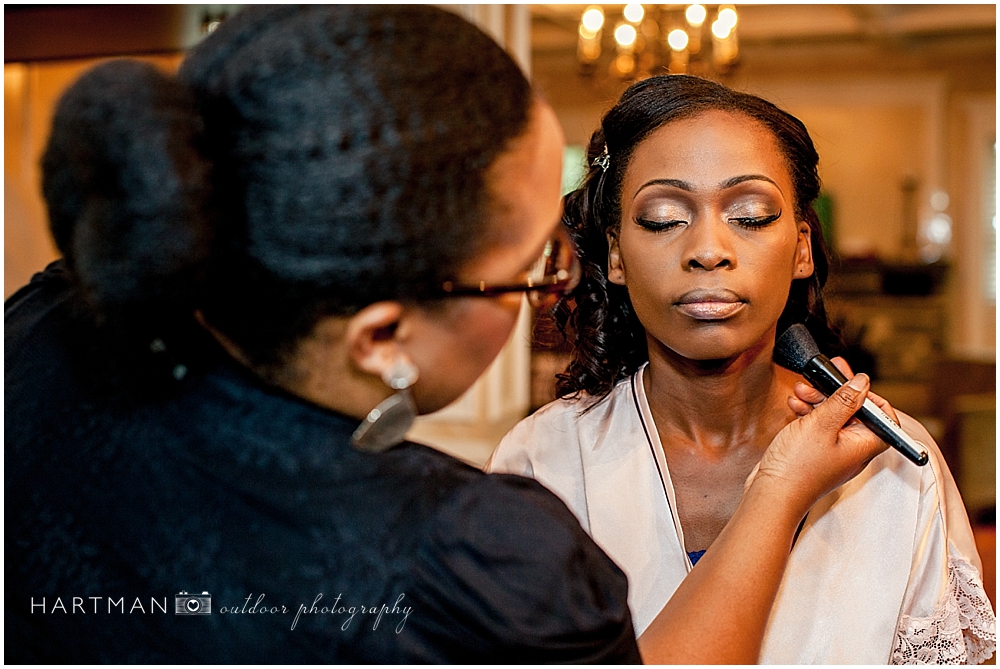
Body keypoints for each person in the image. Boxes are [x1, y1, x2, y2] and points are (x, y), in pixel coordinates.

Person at [7, 7, 890, 663]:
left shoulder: (39, 330)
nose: (705, 252)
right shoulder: (469, 556)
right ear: (385, 336)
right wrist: (778, 489)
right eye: (528, 270)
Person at [487, 74, 996, 664]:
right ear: (618, 255)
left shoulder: (897, 467)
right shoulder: (541, 460)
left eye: (751, 215)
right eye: (662, 218)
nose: (708, 249)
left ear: (802, 248)